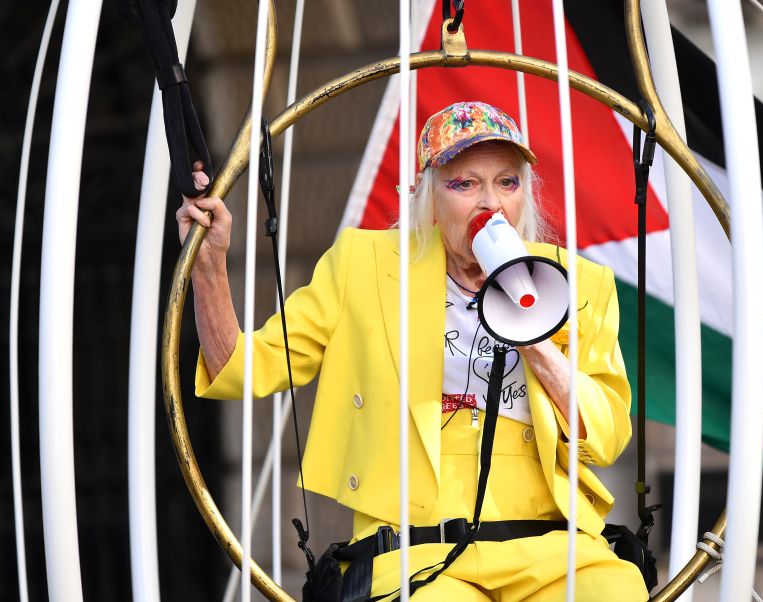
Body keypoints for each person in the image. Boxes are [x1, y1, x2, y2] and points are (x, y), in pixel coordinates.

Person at [177, 101, 648, 601]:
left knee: (616, 591)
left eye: (507, 183)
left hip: (553, 548)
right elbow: (243, 370)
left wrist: (534, 335)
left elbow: (607, 438)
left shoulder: (577, 283)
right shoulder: (365, 263)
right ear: (429, 196)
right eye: (464, 184)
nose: (491, 203)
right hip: (419, 554)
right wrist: (208, 270)